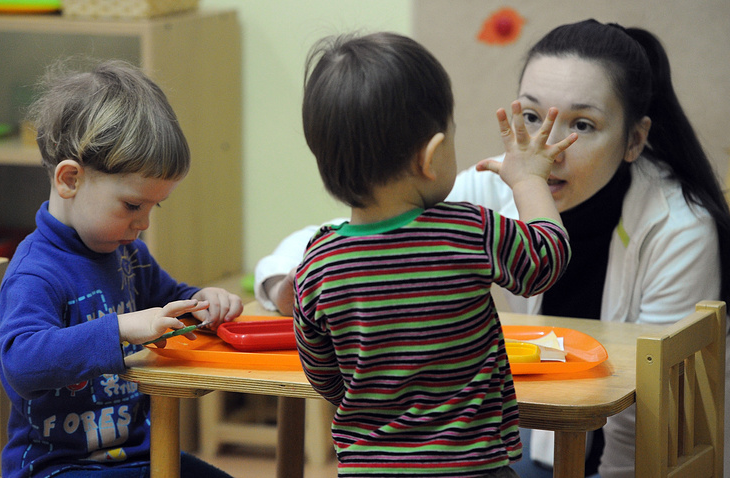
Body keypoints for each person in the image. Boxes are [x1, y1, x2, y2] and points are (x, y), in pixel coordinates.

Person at [256, 20, 730, 478]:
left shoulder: (679, 227)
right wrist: (283, 282)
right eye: (531, 116)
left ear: (635, 139)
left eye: (581, 125)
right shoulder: (478, 212)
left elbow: (648, 414)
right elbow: (355, 233)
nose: (549, 147)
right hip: (494, 456)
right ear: (432, 155)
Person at [294, 31, 575, 477]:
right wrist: (528, 181)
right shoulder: (467, 230)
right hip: (472, 466)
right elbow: (548, 256)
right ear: (432, 155)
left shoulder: (317, 264)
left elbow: (324, 376)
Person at [0, 60, 242, 478]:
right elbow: (20, 362)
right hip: (58, 468)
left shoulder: (128, 254)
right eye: (132, 205)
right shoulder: (36, 272)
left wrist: (204, 302)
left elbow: (171, 304)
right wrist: (121, 328)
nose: (143, 222)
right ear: (69, 180)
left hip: (138, 458)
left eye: (153, 206)